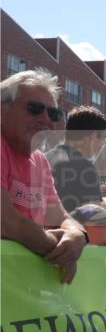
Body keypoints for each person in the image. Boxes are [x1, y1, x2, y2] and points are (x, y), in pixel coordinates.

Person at [1, 69, 88, 283]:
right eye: (34, 108)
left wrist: (77, 235)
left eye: (53, 114)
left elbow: (60, 217)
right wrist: (59, 249)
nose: (46, 120)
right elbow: (5, 221)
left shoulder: (40, 160)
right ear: (2, 110)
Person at [45, 105, 106, 212]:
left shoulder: (43, 159)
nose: (102, 145)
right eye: (103, 138)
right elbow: (94, 216)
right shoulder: (86, 169)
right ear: (93, 135)